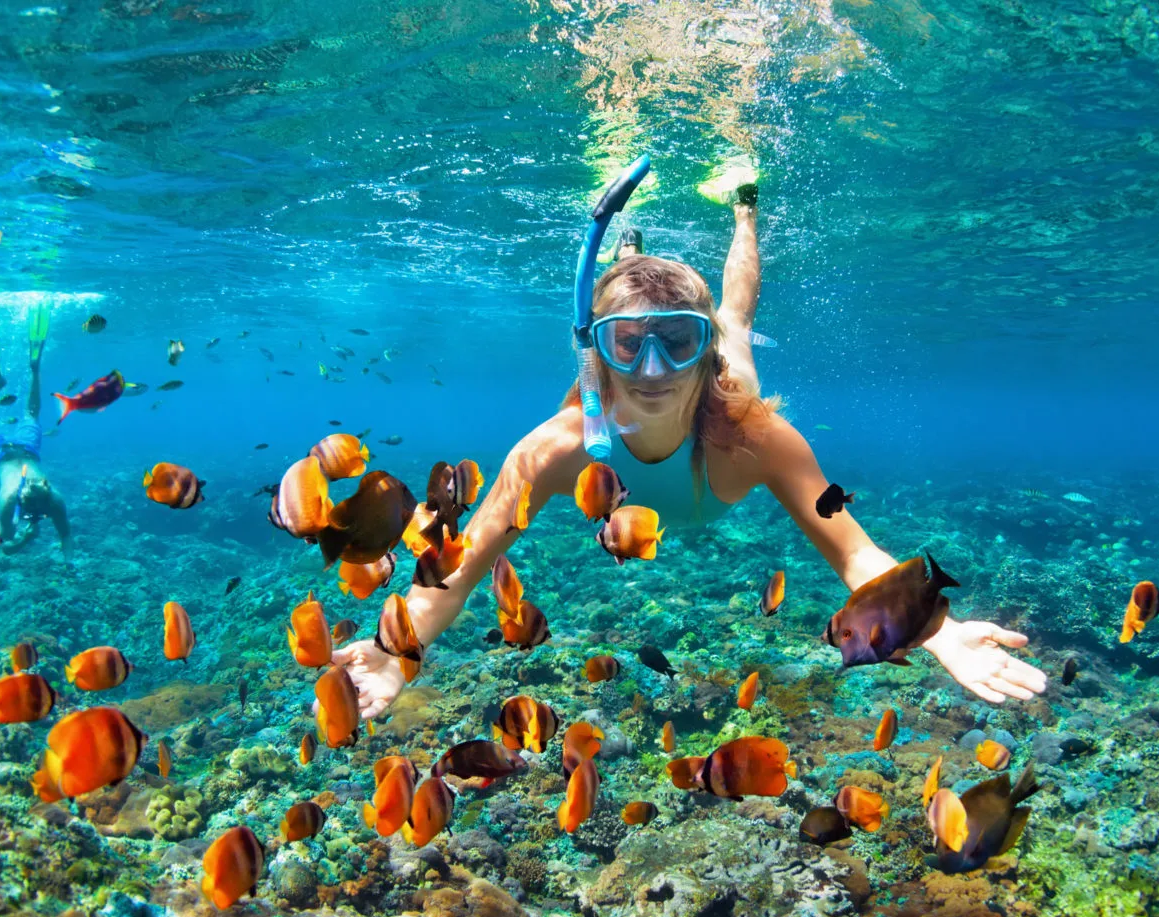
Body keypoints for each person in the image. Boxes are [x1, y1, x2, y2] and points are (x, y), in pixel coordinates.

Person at [333, 166, 1048, 719]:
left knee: (735, 311)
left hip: (726, 380)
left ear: (704, 357)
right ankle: (630, 253)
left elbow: (856, 550)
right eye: (627, 344)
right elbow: (458, 568)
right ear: (599, 353)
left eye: (678, 342)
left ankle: (743, 207)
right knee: (646, 299)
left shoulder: (758, 437)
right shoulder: (555, 450)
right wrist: (400, 649)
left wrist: (935, 628)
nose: (652, 371)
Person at [0, 305, 73, 558]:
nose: (35, 515)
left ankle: (8, 380)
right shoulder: (33, 500)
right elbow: (10, 548)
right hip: (3, 451)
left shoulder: (40, 500)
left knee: (26, 416)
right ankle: (21, 374)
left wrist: (24, 540)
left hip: (25, 448)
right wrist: (25, 541)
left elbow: (8, 544)